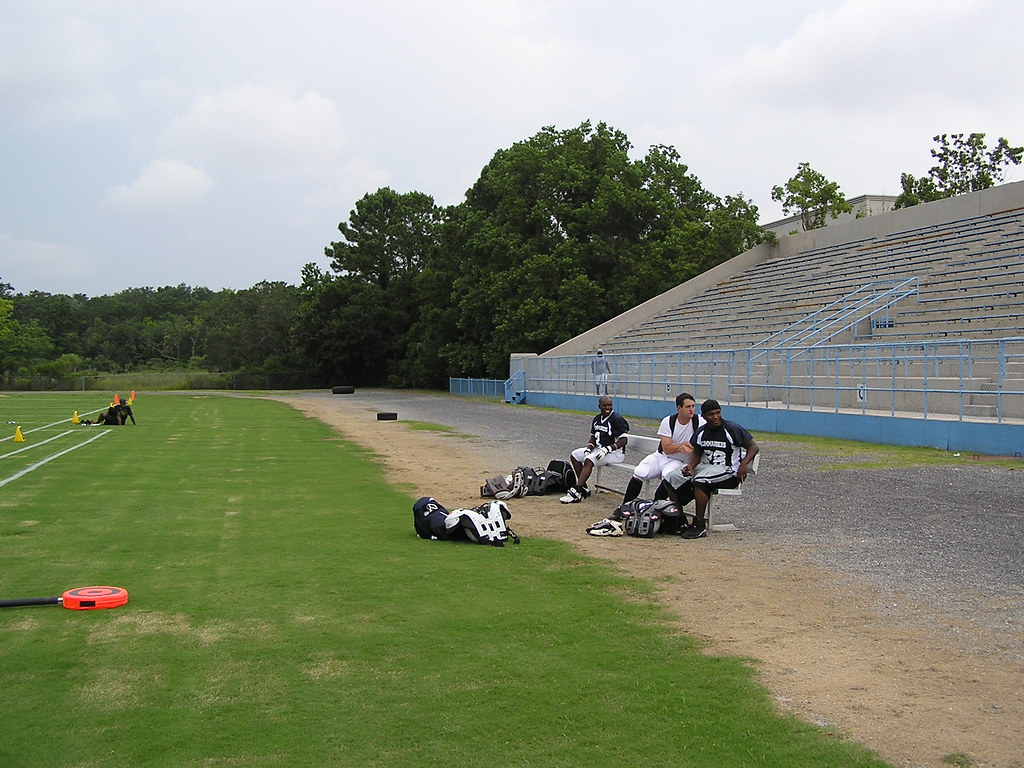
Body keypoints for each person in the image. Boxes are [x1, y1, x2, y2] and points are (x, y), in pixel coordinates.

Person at [664, 398, 758, 539]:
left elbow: (753, 447)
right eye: (711, 414)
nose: (715, 417)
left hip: (729, 471)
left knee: (700, 480)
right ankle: (680, 520)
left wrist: (744, 464)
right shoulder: (701, 432)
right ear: (704, 417)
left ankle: (699, 524)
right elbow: (697, 453)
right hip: (708, 469)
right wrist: (690, 467)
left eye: (718, 413)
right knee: (671, 478)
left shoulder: (731, 429)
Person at [621, 392, 703, 505]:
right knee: (640, 472)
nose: (691, 409)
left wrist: (693, 449)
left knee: (668, 477)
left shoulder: (699, 421)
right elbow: (667, 448)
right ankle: (624, 506)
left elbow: (703, 443)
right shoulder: (668, 421)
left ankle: (656, 508)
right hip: (661, 456)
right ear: (679, 408)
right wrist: (683, 444)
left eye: (693, 406)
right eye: (688, 406)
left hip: (680, 461)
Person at [560, 396, 629, 503]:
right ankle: (584, 487)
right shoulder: (597, 419)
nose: (607, 407)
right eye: (604, 405)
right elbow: (593, 436)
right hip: (599, 449)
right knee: (575, 455)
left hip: (615, 453)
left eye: (609, 405)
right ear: (599, 406)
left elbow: (624, 439)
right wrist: (589, 448)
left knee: (589, 460)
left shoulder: (616, 419)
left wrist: (608, 449)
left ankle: (577, 491)